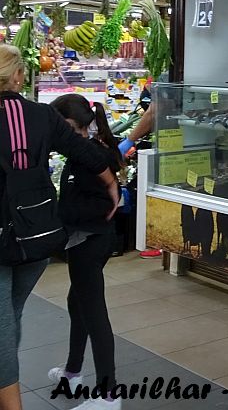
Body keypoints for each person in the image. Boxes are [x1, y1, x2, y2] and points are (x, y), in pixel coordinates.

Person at [0, 46, 119, 410]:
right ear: (19, 77)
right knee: (11, 314)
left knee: (2, 326)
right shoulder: (42, 116)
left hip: (2, 235)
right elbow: (86, 152)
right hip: (39, 233)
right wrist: (111, 183)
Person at [48, 94, 141, 410]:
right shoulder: (87, 150)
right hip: (86, 241)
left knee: (94, 314)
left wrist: (61, 215)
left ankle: (108, 394)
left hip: (90, 241)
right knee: (77, 304)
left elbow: (103, 206)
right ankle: (73, 372)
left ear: (76, 126)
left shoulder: (89, 155)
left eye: (64, 127)